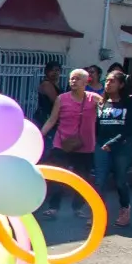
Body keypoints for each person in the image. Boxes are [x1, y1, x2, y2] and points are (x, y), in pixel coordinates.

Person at [40, 68, 99, 221]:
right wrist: (40, 135)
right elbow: (52, 119)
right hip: (62, 143)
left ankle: (77, 207)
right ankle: (53, 208)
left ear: (86, 82)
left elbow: (108, 112)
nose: (73, 81)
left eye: (77, 78)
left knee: (82, 178)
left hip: (85, 145)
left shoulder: (94, 99)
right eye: (72, 78)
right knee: (59, 176)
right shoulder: (62, 99)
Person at [94, 70, 132, 227]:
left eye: (112, 81)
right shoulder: (102, 102)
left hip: (122, 146)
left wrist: (113, 142)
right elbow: (97, 126)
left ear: (121, 84)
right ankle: (98, 213)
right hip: (102, 145)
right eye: (106, 80)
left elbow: (131, 128)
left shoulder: (130, 102)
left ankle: (125, 209)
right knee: (99, 181)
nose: (108, 84)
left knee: (120, 181)